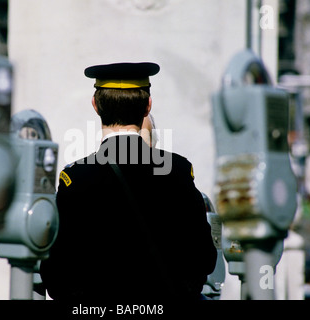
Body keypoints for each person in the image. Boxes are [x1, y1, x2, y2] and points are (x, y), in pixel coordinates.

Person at [40, 62, 216, 301]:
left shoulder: (76, 178)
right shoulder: (178, 171)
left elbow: (56, 273)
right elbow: (203, 258)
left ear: (95, 105)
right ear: (148, 106)